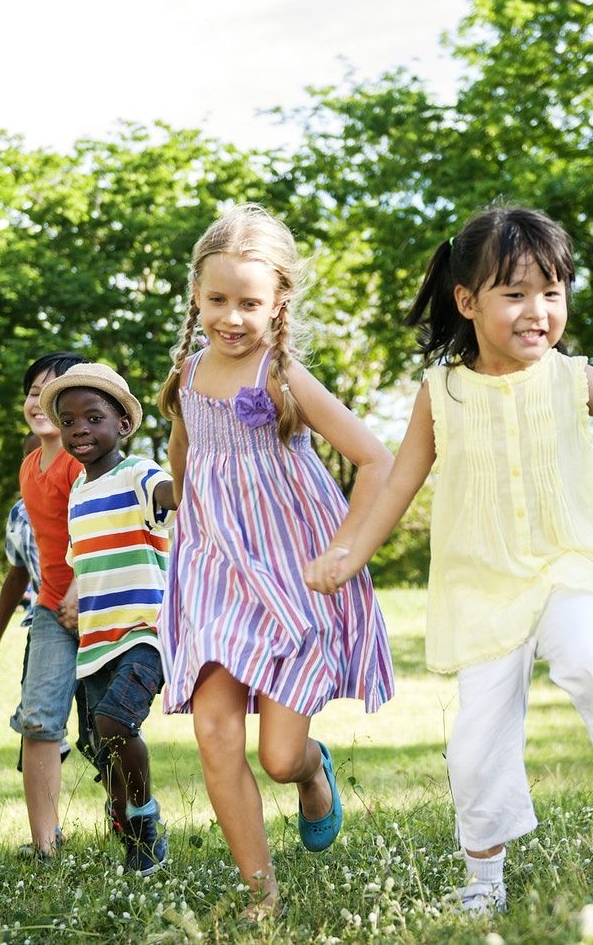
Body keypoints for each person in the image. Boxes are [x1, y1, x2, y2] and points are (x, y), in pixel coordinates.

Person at [303, 205, 593, 915]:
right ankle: (483, 881)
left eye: (552, 292)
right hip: (482, 585)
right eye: (516, 293)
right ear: (467, 301)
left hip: (571, 560)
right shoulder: (441, 393)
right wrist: (348, 554)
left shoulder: (573, 377)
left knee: (592, 655)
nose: (538, 311)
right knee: (476, 743)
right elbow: (399, 483)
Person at [156, 203, 395, 919]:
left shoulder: (284, 377)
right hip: (215, 571)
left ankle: (315, 773)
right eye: (217, 300)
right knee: (214, 728)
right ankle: (261, 891)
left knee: (279, 756)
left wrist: (345, 552)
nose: (231, 317)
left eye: (249, 303)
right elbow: (184, 453)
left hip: (293, 572)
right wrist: (178, 513)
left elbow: (375, 460)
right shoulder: (185, 378)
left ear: (279, 301)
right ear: (196, 297)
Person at [40, 362, 178, 876]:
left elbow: (171, 496)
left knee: (115, 721)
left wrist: (188, 452)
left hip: (144, 631)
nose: (79, 429)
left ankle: (145, 821)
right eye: (69, 420)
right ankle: (128, 825)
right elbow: (86, 558)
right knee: (106, 753)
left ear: (122, 425)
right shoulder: (78, 493)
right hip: (95, 640)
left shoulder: (139, 473)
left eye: (93, 418)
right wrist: (75, 597)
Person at [0, 352, 87, 858]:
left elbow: (101, 533)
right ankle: (45, 844)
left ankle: (135, 825)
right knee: (39, 721)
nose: (39, 400)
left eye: (54, 390)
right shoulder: (29, 468)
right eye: (32, 390)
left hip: (102, 605)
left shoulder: (81, 459)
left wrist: (80, 588)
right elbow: (35, 555)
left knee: (108, 728)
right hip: (50, 611)